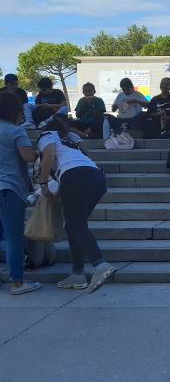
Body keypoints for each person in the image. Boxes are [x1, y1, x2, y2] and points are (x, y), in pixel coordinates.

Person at [38, 114, 115, 292]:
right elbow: (85, 156)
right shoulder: (71, 137)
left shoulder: (46, 135)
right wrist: (60, 191)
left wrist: (43, 183)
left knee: (75, 225)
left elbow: (49, 154)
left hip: (75, 177)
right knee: (75, 225)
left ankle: (100, 265)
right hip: (96, 176)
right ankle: (77, 273)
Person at [0, 92, 40, 295]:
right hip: (10, 189)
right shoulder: (16, 131)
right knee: (13, 238)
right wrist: (38, 152)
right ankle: (17, 282)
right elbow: (28, 157)